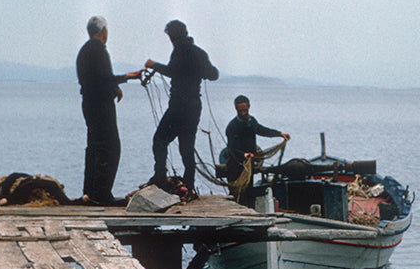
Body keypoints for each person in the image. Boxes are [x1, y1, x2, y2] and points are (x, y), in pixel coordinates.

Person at [144, 20, 219, 196]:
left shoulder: (179, 50)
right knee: (187, 146)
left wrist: (153, 64)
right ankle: (190, 184)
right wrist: (203, 68)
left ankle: (160, 177)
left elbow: (173, 71)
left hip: (179, 105)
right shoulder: (199, 52)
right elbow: (213, 74)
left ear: (172, 36)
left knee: (160, 140)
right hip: (194, 106)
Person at [76, 16, 142, 205]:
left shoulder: (85, 50)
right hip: (100, 106)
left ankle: (89, 192)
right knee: (110, 147)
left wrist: (114, 87)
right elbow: (103, 79)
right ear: (103, 31)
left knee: (94, 148)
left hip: (89, 103)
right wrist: (126, 77)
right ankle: (102, 194)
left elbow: (94, 79)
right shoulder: (99, 50)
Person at [224, 95, 290, 202]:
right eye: (239, 110)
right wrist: (243, 154)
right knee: (237, 194)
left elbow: (263, 130)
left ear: (249, 107)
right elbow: (231, 148)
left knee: (249, 193)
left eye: (244, 110)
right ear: (235, 109)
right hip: (236, 166)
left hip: (249, 164)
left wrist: (280, 134)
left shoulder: (252, 121)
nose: (242, 113)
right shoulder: (232, 126)